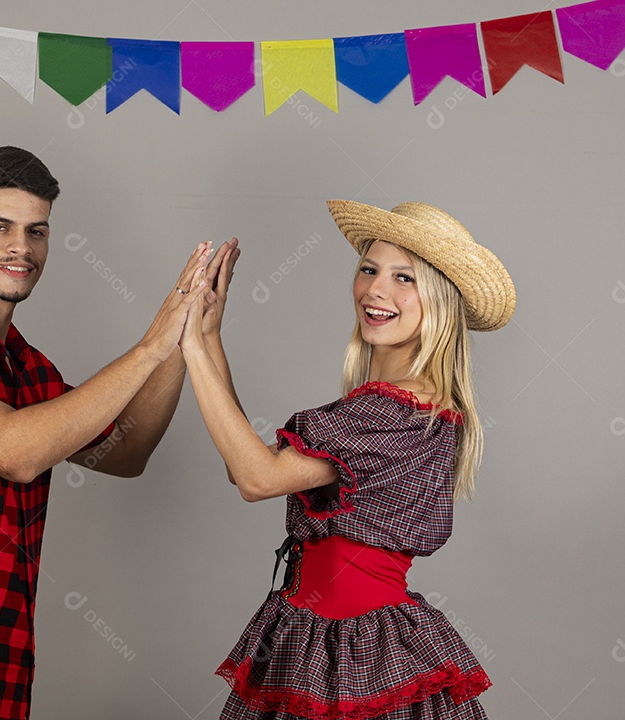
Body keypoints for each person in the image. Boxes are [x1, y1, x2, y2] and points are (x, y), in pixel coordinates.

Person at [0, 145, 237, 720]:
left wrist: (186, 342)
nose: (21, 247)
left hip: (3, 688)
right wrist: (149, 345)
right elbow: (14, 451)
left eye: (37, 231)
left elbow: (125, 450)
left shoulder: (29, 368)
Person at [178, 200, 515, 719]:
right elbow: (243, 462)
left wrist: (189, 348)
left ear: (441, 302)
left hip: (357, 646)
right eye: (369, 269)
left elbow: (254, 478)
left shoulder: (397, 412)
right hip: (311, 635)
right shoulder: (394, 407)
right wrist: (208, 338)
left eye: (405, 278)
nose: (377, 289)